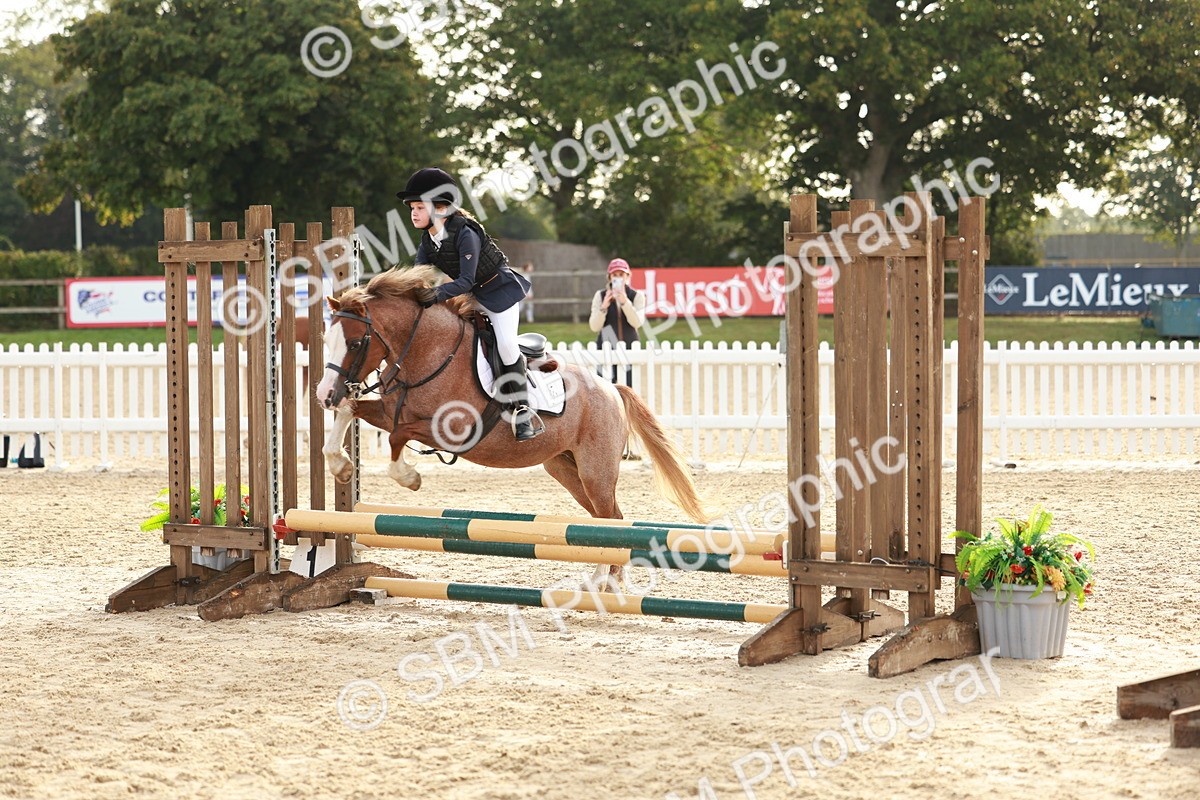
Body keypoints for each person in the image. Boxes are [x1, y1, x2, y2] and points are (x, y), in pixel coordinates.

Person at [399, 167, 540, 441]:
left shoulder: (466, 233)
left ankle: (523, 409)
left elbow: (465, 281)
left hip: (499, 295)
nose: (413, 213)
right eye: (412, 208)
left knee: (506, 345)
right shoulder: (428, 240)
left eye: (419, 207)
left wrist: (434, 295)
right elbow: (418, 276)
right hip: (473, 297)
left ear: (440, 208)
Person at [588, 257, 646, 387]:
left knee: (629, 390)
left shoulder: (637, 296)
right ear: (609, 277)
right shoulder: (600, 296)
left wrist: (625, 303)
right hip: (605, 350)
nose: (618, 278)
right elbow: (594, 326)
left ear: (627, 276)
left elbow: (637, 322)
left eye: (621, 274)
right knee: (605, 392)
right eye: (615, 275)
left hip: (630, 349)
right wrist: (604, 307)